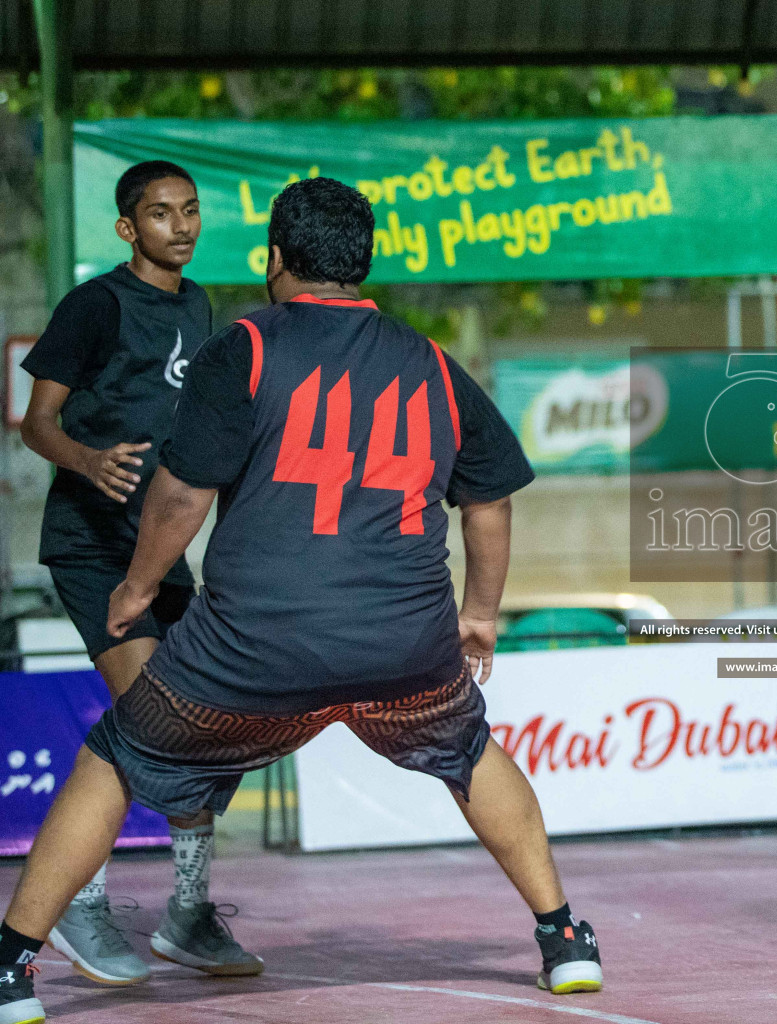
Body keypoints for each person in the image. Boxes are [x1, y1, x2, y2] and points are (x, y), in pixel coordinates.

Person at [0, 177, 601, 1024]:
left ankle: (12, 967)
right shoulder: (429, 359)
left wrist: (135, 589)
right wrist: (479, 611)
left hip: (255, 651)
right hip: (403, 649)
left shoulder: (242, 345)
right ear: (363, 264)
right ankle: (564, 938)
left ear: (275, 257)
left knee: (116, 755)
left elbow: (180, 496)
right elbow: (491, 498)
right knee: (468, 751)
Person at [17, 160, 257, 985]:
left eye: (190, 210)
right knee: (155, 720)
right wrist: (86, 459)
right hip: (91, 545)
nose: (180, 226)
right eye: (160, 214)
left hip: (160, 550)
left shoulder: (199, 305)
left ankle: (188, 914)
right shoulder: (94, 306)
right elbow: (34, 422)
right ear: (128, 228)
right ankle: (77, 906)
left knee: (198, 727)